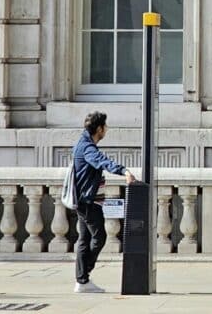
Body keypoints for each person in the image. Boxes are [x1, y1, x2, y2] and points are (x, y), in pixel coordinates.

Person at [71, 111, 135, 294]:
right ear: (99, 129)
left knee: (85, 239)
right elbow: (101, 162)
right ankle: (84, 276)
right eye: (105, 126)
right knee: (99, 237)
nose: (106, 129)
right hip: (88, 201)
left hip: (84, 200)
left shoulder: (82, 144)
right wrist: (124, 171)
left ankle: (82, 280)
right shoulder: (88, 148)